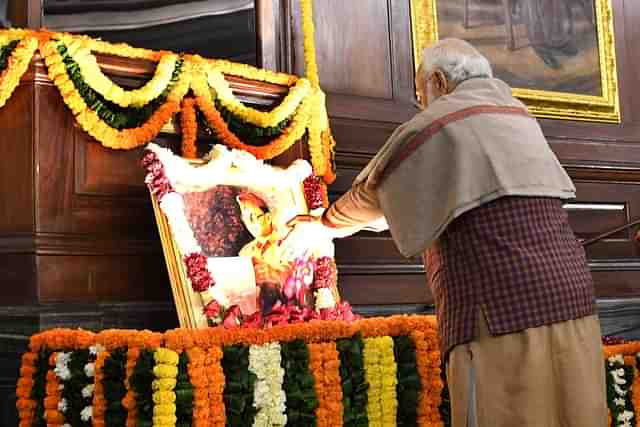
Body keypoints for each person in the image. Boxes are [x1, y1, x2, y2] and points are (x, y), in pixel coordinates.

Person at [290, 38, 607, 427]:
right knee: (573, 411)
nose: (421, 101)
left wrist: (324, 224)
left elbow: (375, 195)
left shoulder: (440, 121)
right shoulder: (517, 114)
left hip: (503, 312)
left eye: (420, 91)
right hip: (573, 299)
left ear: (438, 81)